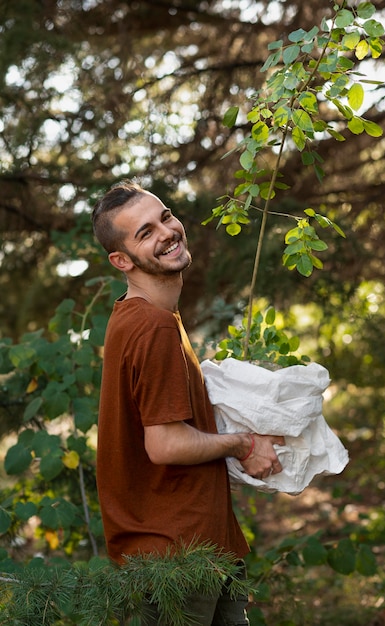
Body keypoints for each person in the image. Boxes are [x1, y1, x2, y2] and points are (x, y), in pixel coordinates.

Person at [92, 179, 285, 626]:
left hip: (199, 548)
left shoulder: (144, 316)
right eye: (144, 233)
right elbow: (165, 444)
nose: (166, 232)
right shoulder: (152, 326)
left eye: (165, 217)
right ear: (121, 260)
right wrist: (243, 445)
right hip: (175, 560)